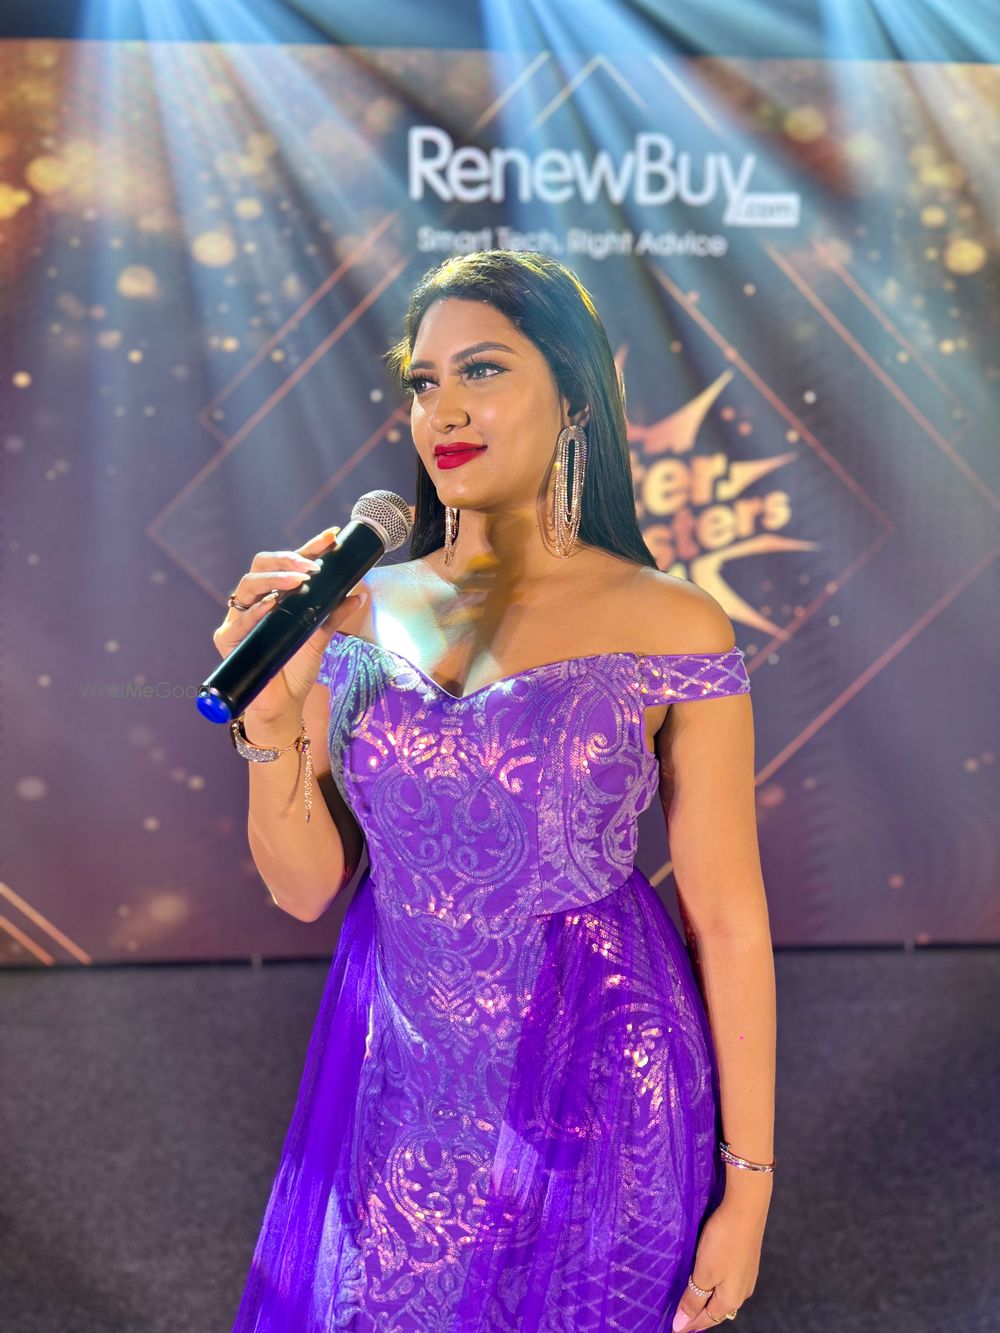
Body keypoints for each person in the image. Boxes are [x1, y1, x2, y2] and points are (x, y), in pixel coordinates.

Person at [220, 249, 776, 1332]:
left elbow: (727, 918)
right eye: (424, 382)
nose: (445, 409)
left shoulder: (671, 622)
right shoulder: (355, 610)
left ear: (576, 395)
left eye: (482, 369)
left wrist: (747, 1188)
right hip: (401, 1077)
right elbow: (303, 887)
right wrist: (271, 726)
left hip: (606, 1081)